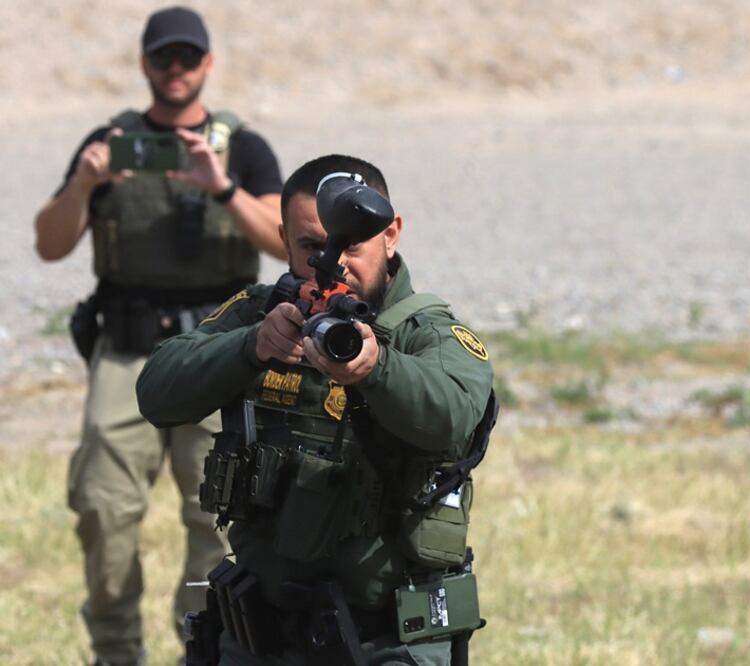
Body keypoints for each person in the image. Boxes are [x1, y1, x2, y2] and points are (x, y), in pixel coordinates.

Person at [136, 154, 496, 665]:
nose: (335, 262)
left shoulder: (428, 334)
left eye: (351, 244)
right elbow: (157, 390)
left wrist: (377, 369)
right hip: (264, 629)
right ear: (284, 240)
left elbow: (453, 417)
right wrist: (251, 347)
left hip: (387, 636)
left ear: (391, 234)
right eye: (312, 246)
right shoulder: (260, 313)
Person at [32, 6, 285, 665]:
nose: (175, 70)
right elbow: (49, 244)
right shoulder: (109, 142)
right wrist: (86, 183)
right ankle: (116, 650)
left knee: (219, 516)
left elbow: (288, 242)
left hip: (219, 351)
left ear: (208, 64)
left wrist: (222, 186)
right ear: (144, 64)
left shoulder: (242, 148)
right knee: (103, 509)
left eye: (187, 57)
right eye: (162, 58)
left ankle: (205, 648)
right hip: (127, 349)